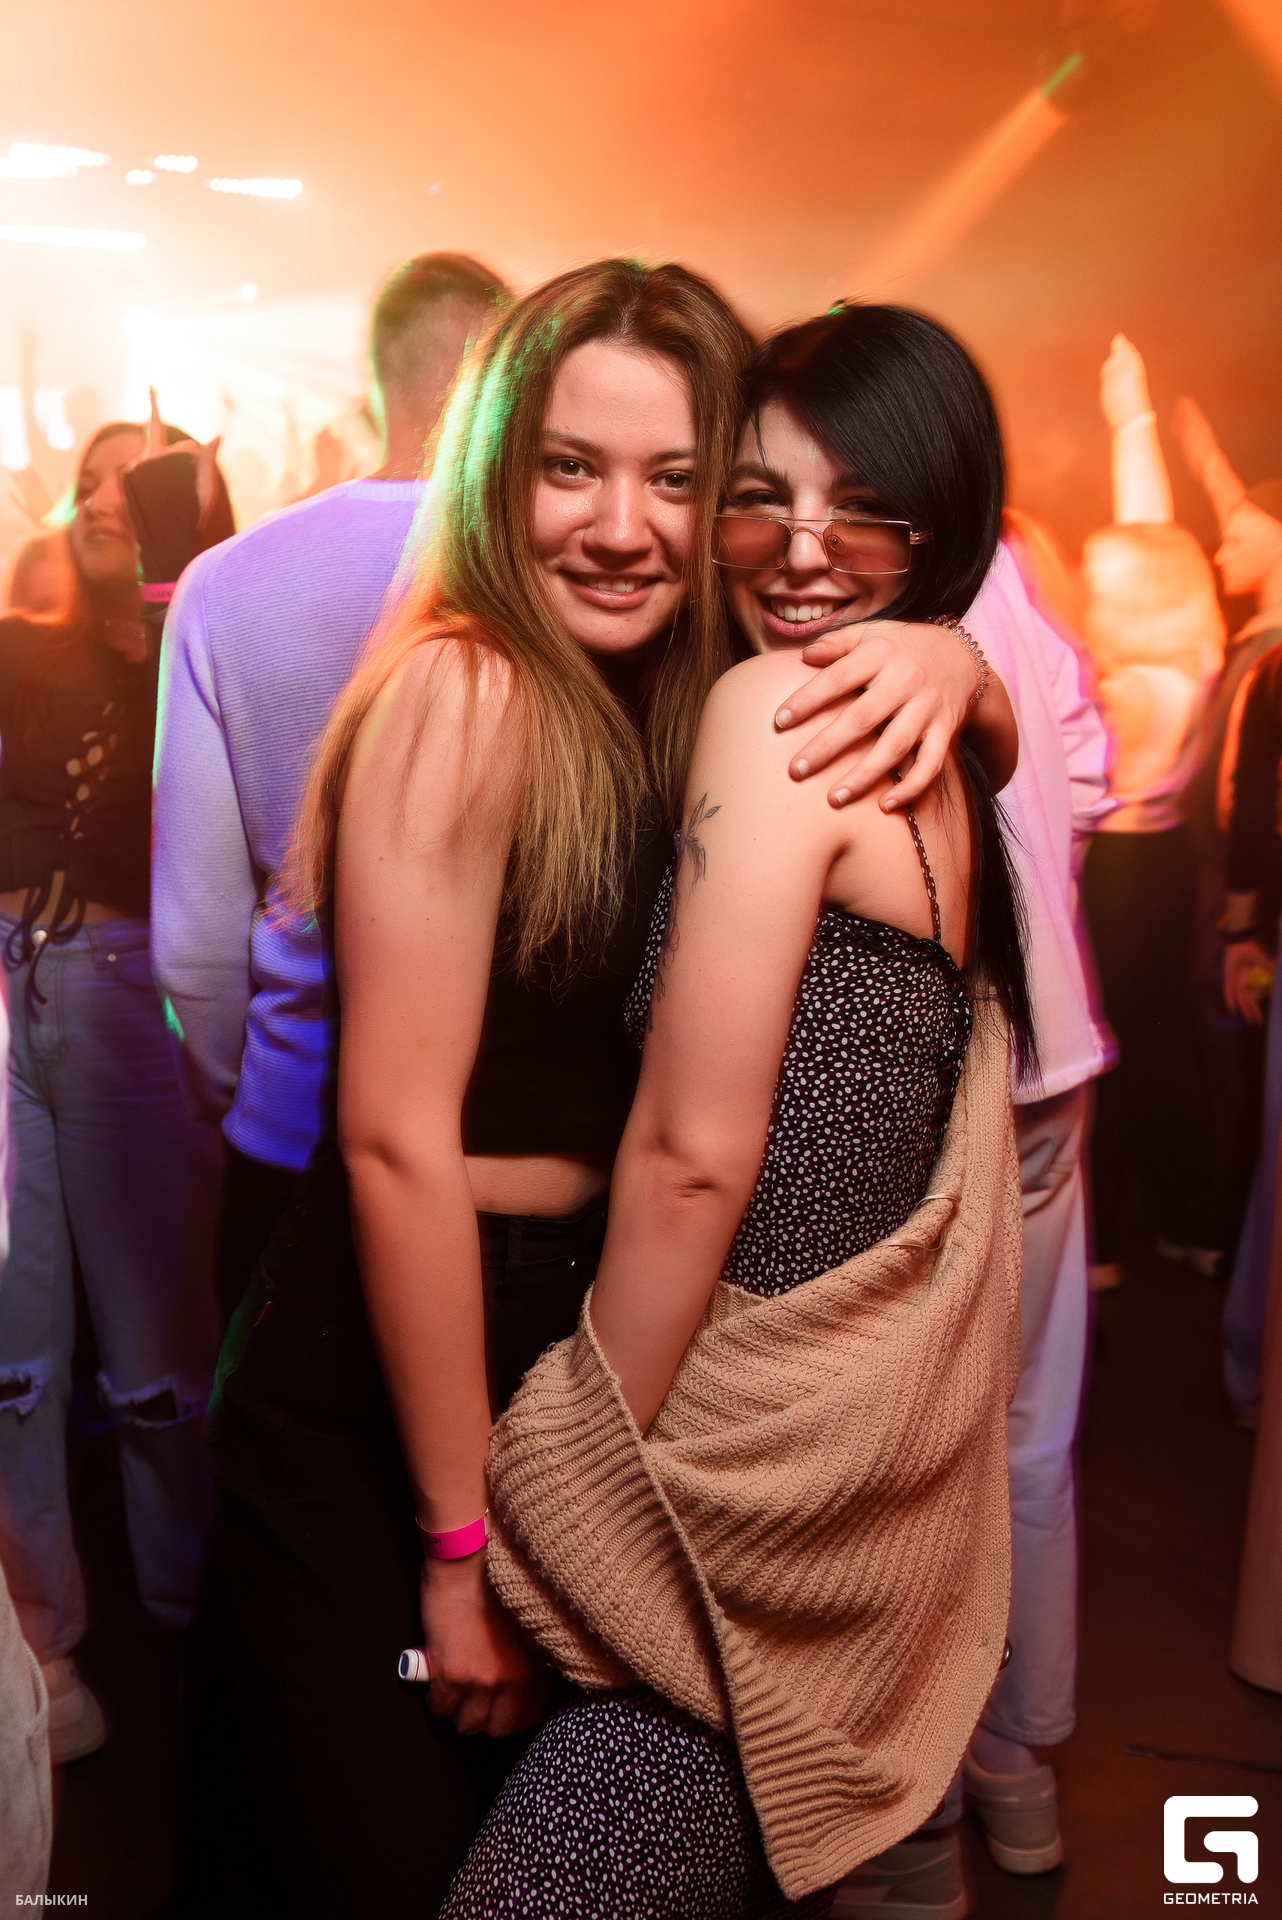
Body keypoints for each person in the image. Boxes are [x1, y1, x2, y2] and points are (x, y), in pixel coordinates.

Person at [211, 262, 1020, 1920]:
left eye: (676, 479)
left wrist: (957, 669)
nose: (620, 528)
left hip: (588, 1344)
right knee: (378, 1856)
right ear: (493, 475)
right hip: (402, 1369)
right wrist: (463, 1549)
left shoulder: (693, 691)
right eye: (569, 468)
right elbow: (392, 1146)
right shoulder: (467, 688)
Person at [440, 301, 1032, 1920]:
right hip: (840, 1524)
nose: (803, 550)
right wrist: (965, 663)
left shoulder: (780, 714)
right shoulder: (926, 738)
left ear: (944, 521)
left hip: (715, 1506)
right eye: (761, 497)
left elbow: (693, 1160)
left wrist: (560, 1487)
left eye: (865, 509)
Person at [151, 252, 510, 1326]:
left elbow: (193, 939)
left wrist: (240, 1094)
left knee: (275, 1422)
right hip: (505, 1151)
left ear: (375, 380)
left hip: (292, 1128)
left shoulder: (224, 581)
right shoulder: (542, 570)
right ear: (512, 381)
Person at [0, 420, 227, 1764]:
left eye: (137, 480)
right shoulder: (22, 650)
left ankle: (189, 1634)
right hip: (7, 981)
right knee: (14, 1360)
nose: (102, 497)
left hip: (136, 999)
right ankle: (44, 1652)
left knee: (156, 1360)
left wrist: (175, 571)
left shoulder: (207, 654)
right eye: (90, 477)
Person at [1079, 334, 1224, 1287]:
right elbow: (1152, 533)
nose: (1086, 589)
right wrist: (1129, 419)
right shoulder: (1192, 657)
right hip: (1166, 861)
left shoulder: (1125, 688)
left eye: (1100, 581)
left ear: (1129, 597)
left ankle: (1100, 1248)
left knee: (1103, 1047)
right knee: (1166, 1040)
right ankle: (1191, 1226)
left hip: (1118, 872)